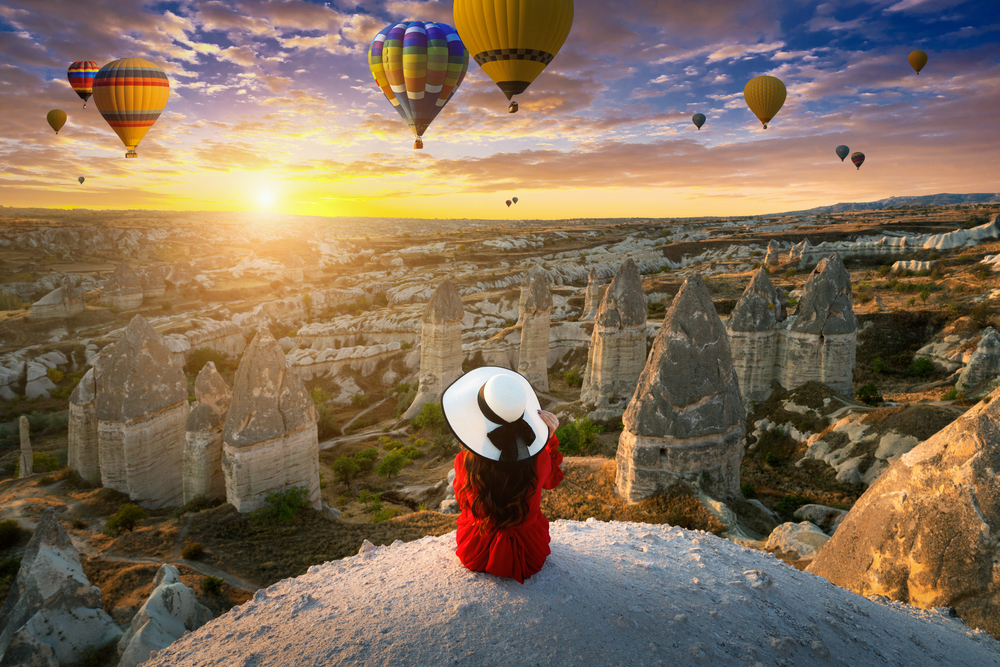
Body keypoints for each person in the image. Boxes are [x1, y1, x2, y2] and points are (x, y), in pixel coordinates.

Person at [441, 366, 564, 583]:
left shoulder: (465, 462)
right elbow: (553, 481)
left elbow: (463, 502)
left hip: (476, 550)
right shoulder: (540, 459)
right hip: (529, 553)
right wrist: (549, 440)